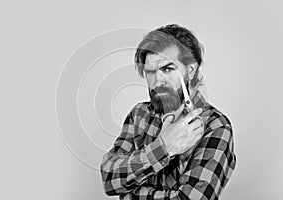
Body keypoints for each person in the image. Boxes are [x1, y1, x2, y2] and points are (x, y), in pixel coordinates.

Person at [100, 24, 236, 200]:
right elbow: (110, 179)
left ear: (191, 70)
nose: (157, 81)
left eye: (168, 69)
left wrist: (130, 193)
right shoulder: (139, 114)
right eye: (150, 72)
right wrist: (164, 148)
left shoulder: (216, 126)